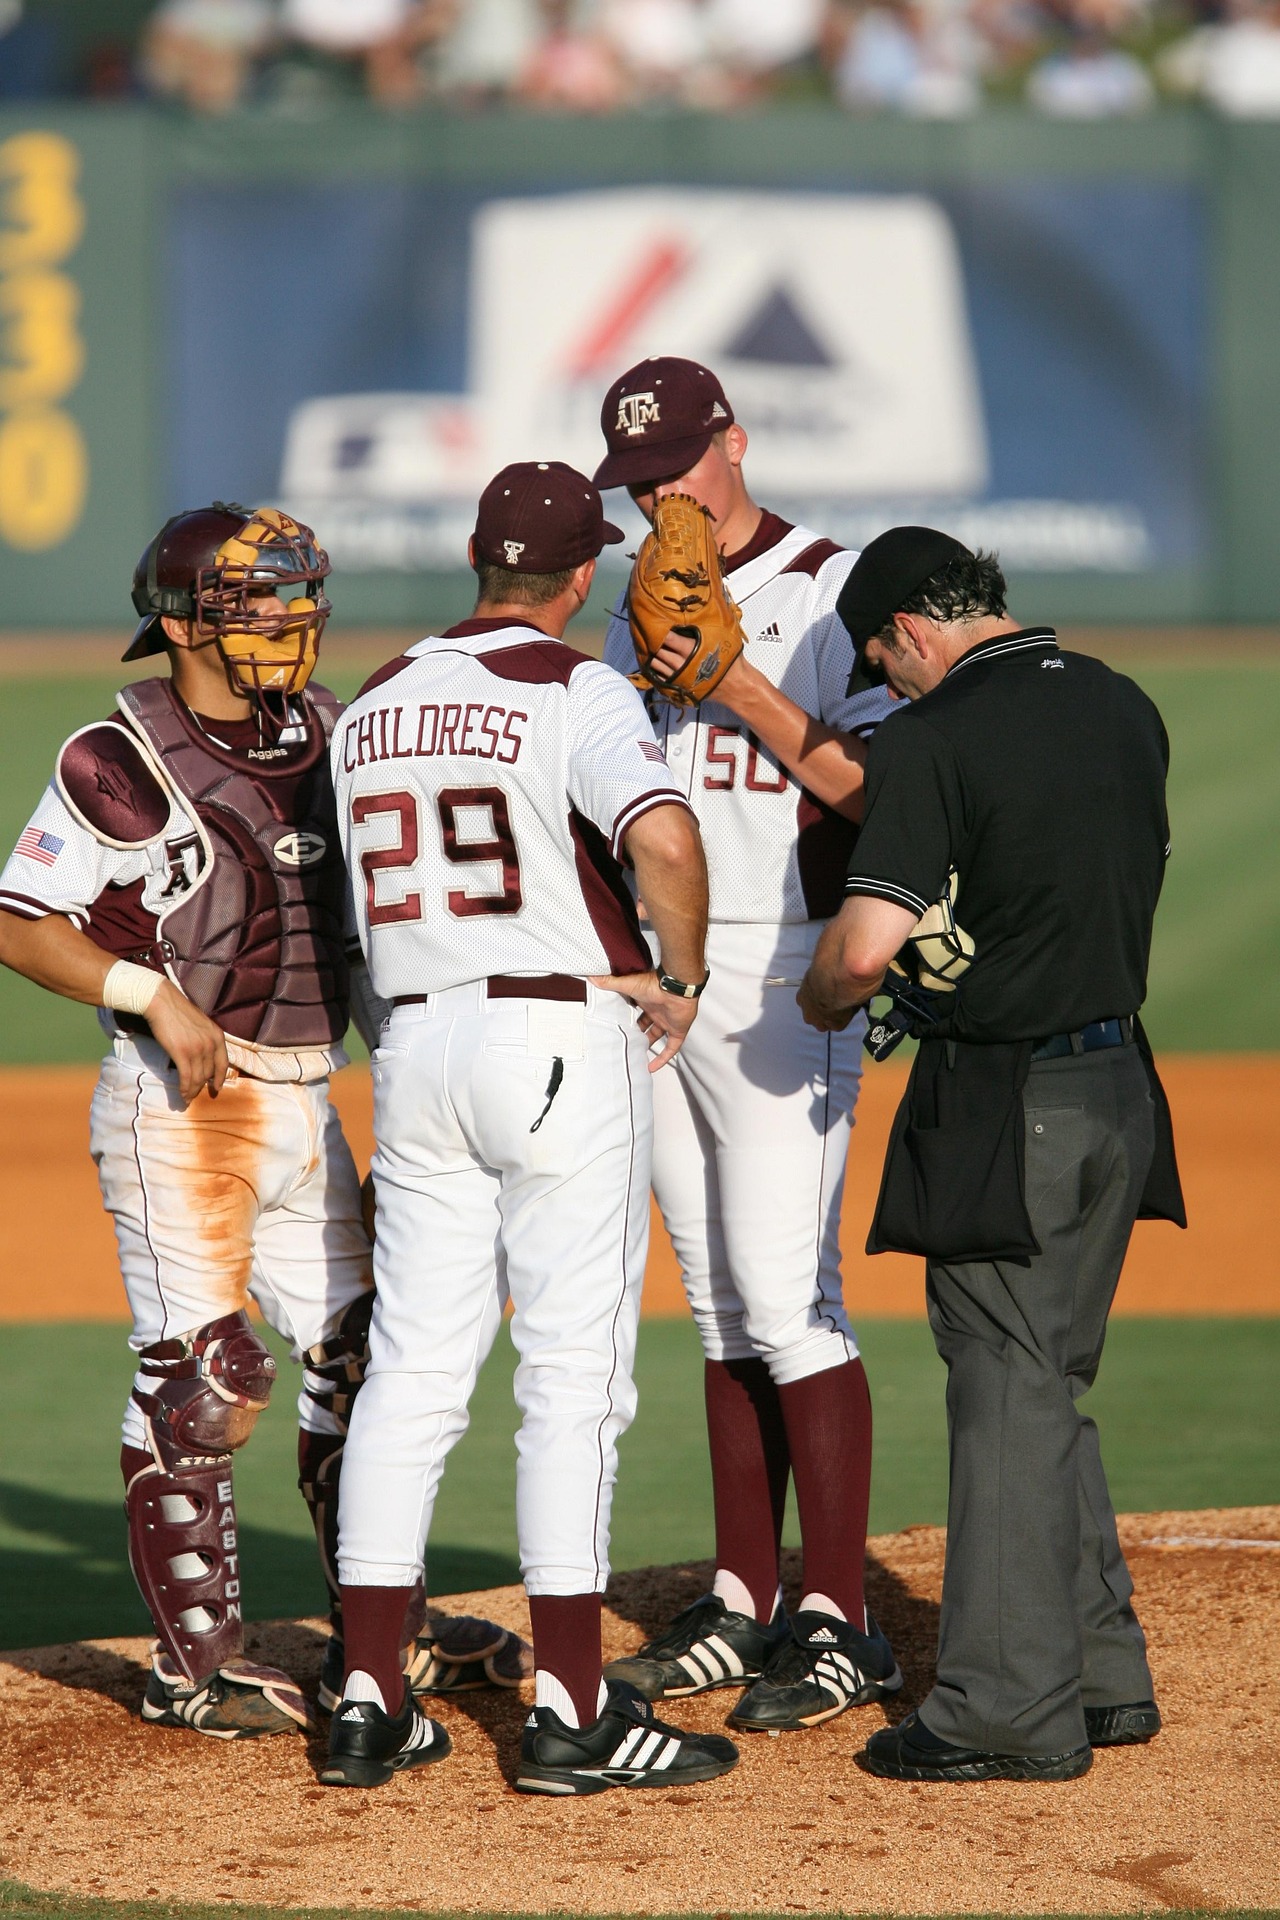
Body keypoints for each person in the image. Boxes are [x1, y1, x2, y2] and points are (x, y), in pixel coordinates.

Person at [0, 504, 519, 1739]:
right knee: (203, 1377)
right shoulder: (116, 755)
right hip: (182, 1106)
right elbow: (22, 919)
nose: (288, 622)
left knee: (361, 1356)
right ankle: (193, 1668)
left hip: (306, 1092)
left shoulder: (328, 728)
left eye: (296, 596)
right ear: (180, 619)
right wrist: (140, 991)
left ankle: (381, 1622)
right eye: (257, 601)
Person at [324, 459, 739, 1796]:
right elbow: (665, 842)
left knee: (412, 1376)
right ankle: (568, 1712)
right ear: (580, 577)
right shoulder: (575, 686)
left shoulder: (372, 702)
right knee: (572, 1382)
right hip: (557, 1033)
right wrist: (679, 977)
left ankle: (368, 1701)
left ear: (474, 559)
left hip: (416, 1044)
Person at [798, 526, 1184, 1782]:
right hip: (1120, 1085)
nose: (882, 679)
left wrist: (812, 998)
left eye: (877, 655)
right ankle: (1099, 1672)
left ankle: (1002, 1712)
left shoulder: (932, 738)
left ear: (913, 628)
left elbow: (861, 952)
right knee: (1047, 1383)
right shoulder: (1123, 706)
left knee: (1003, 1391)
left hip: (1007, 1097)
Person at [594, 357, 903, 1732]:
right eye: (637, 484)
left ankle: (840, 1621)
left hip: (787, 977)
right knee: (718, 1303)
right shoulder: (630, 608)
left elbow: (885, 794)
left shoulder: (836, 591)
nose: (659, 500)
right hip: (670, 990)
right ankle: (740, 1595)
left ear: (734, 440)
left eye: (675, 469)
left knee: (790, 1300)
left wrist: (740, 685)